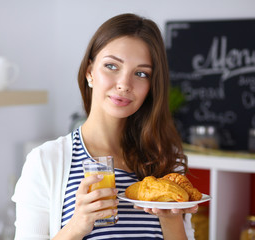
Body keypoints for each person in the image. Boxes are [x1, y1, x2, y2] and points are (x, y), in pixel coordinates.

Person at [12, 13, 198, 240]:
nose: (124, 84)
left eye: (141, 73)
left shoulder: (165, 163)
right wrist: (76, 227)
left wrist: (171, 218)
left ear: (151, 86)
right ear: (90, 72)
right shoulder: (46, 161)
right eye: (111, 66)